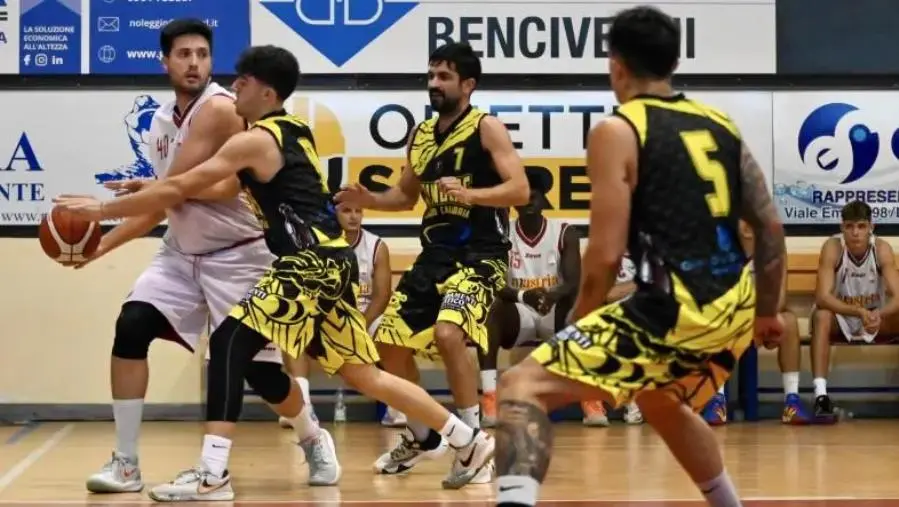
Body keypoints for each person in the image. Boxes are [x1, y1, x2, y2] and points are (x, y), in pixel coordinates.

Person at [55, 45, 496, 500]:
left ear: (265, 91)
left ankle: (212, 475)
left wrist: (101, 211)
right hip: (331, 262)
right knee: (365, 375)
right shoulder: (291, 130)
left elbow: (186, 184)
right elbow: (209, 185)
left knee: (228, 342)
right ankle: (469, 440)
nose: (234, 88)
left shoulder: (254, 138)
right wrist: (149, 187)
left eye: (242, 81)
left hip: (310, 264)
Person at [490, 7, 786, 507]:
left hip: (674, 311)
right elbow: (770, 229)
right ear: (672, 62)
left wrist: (578, 327)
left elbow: (603, 256)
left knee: (521, 386)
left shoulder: (618, 130)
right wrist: (768, 311)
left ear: (616, 66)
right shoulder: (719, 124)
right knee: (658, 397)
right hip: (732, 307)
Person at [78, 20, 313, 495]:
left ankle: (312, 437)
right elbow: (164, 203)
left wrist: (113, 208)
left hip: (239, 255)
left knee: (261, 375)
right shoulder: (162, 121)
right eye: (184, 54)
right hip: (182, 253)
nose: (194, 63)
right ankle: (125, 462)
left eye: (203, 54)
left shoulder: (223, 110)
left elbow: (201, 186)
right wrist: (99, 247)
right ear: (164, 61)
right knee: (132, 326)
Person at [335, 41, 528, 480]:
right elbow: (404, 197)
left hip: (482, 254)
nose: (434, 84)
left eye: (444, 77)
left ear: (468, 84)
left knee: (448, 332)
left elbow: (519, 190)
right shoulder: (421, 136)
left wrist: (474, 194)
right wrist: (370, 199)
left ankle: (472, 445)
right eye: (431, 76)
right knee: (387, 342)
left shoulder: (486, 127)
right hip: (436, 256)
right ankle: (424, 435)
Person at [477, 174, 598, 427]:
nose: (529, 202)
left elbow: (573, 281)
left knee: (575, 304)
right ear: (514, 203)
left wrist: (551, 295)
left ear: (545, 201)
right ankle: (489, 396)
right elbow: (495, 282)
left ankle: (589, 398)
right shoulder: (502, 234)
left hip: (555, 310)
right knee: (492, 309)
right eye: (523, 197)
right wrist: (525, 296)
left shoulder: (564, 232)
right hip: (520, 311)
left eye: (535, 197)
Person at [698, 220, 811, 426]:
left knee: (790, 321)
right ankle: (717, 400)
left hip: (764, 317)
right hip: (732, 318)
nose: (749, 224)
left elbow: (781, 298)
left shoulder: (774, 247)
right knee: (715, 320)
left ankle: (792, 401)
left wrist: (761, 319)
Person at [810, 200, 899, 421]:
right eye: (849, 226)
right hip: (842, 316)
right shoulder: (833, 247)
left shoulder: (881, 249)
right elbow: (822, 297)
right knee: (820, 316)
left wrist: (880, 315)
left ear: (871, 227)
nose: (855, 233)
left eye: (861, 226)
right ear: (842, 227)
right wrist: (858, 311)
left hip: (874, 316)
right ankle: (821, 397)